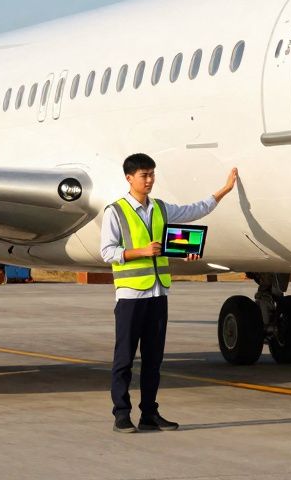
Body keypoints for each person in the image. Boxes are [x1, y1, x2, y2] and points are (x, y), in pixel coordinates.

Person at [100, 152, 238, 433]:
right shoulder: (115, 211)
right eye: (144, 175)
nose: (150, 180)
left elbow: (193, 210)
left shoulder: (160, 209)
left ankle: (149, 414)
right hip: (130, 297)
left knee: (154, 359)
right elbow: (107, 253)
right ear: (129, 178)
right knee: (124, 359)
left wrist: (223, 191)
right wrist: (142, 251)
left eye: (152, 174)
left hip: (157, 294)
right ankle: (121, 414)